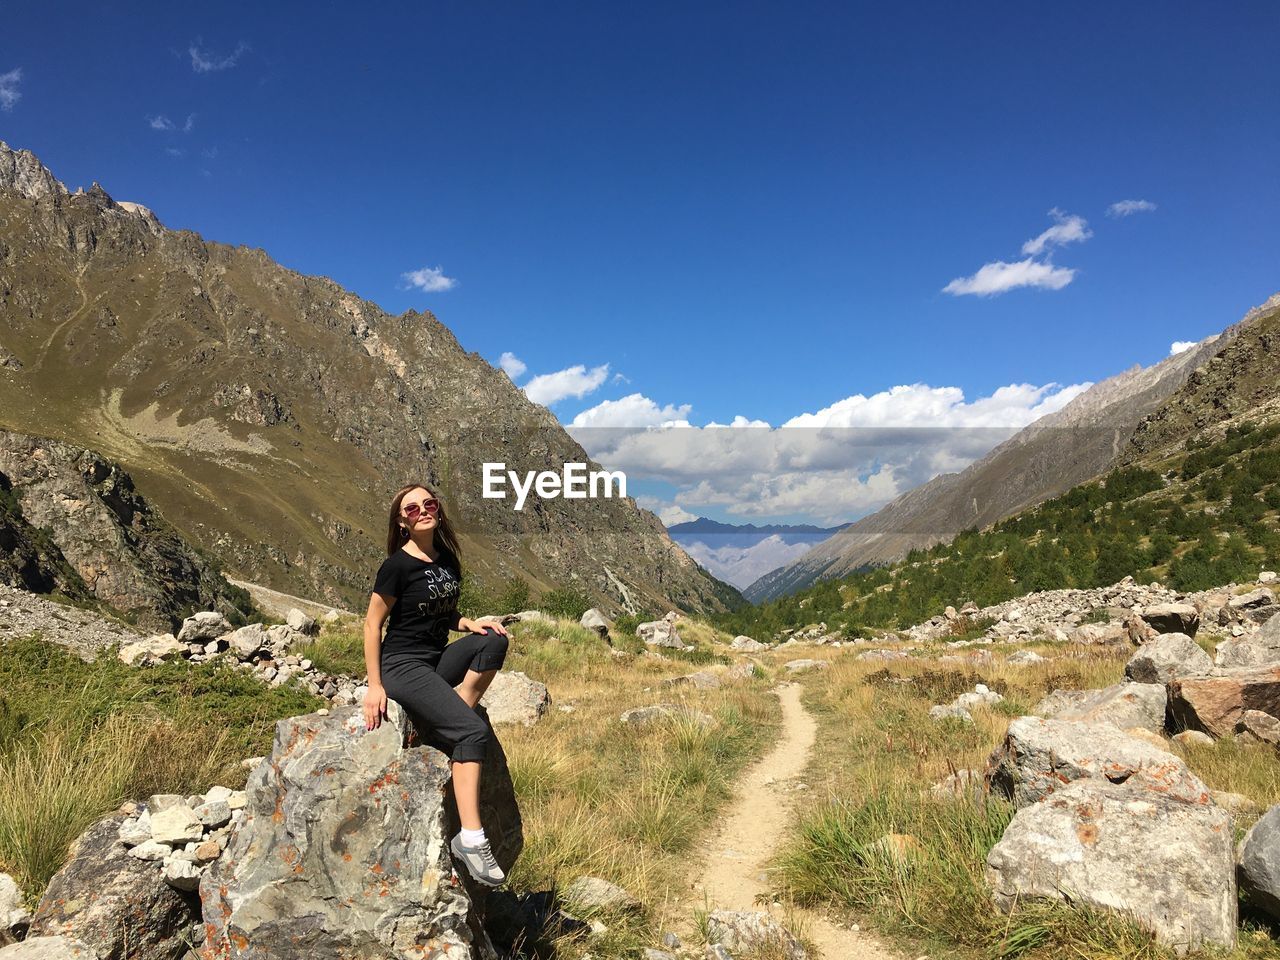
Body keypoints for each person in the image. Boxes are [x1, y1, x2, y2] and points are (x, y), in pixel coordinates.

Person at [362, 482, 511, 887]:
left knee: (495, 640)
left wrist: (466, 623)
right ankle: (471, 838)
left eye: (429, 504)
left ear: (438, 511)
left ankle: (450, 717)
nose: (422, 511)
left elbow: (440, 612)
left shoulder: (446, 559)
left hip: (435, 660)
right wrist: (375, 685)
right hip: (402, 666)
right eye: (412, 509)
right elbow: (374, 624)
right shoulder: (396, 566)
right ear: (402, 521)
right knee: (472, 731)